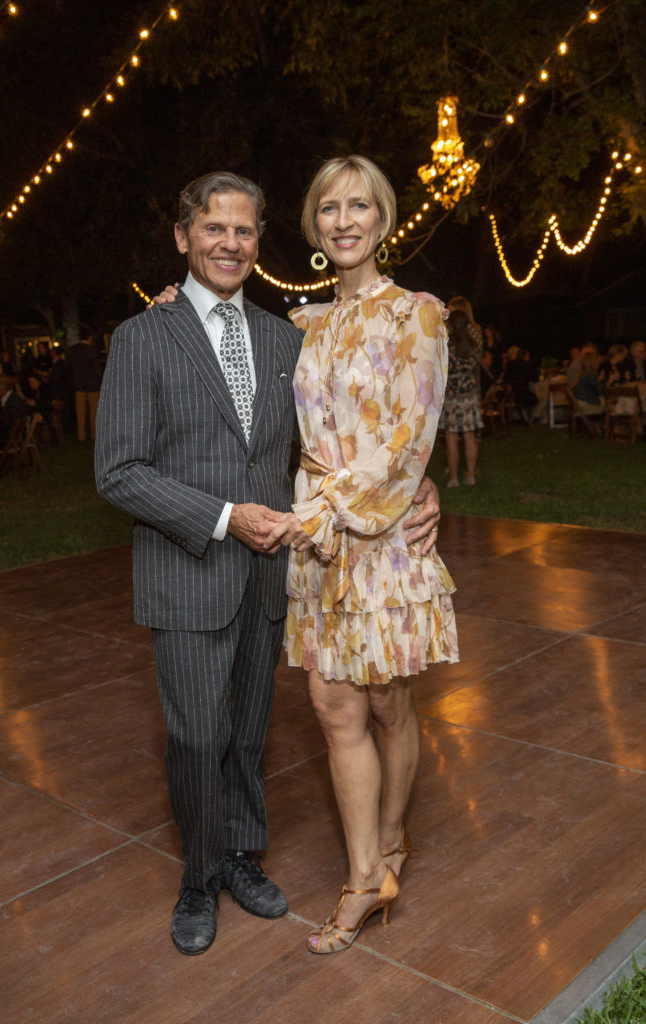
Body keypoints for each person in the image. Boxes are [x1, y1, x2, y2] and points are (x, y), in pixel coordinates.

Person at [95, 170, 444, 958]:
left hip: (276, 569)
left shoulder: (287, 336)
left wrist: (422, 483)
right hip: (189, 567)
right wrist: (224, 518)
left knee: (251, 732)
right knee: (196, 738)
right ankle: (198, 878)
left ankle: (242, 855)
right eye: (212, 228)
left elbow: (358, 425)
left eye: (244, 230)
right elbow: (117, 472)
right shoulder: (141, 336)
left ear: (259, 241)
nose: (229, 242)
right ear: (183, 236)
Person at [262, 155, 459, 955]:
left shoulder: (418, 314)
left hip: (377, 537)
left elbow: (411, 436)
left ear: (382, 219)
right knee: (332, 708)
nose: (343, 221)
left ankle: (391, 834)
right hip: (317, 545)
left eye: (358, 206)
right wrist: (175, 302)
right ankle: (364, 876)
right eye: (328, 208)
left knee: (387, 704)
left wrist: (339, 507)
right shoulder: (299, 324)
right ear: (313, 224)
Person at [439, 308, 483, 487]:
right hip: (469, 394)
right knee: (469, 435)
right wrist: (467, 324)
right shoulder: (475, 343)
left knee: (451, 437)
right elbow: (475, 332)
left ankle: (453, 478)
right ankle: (470, 475)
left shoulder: (446, 343)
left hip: (451, 394)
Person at [66, 331, 102, 441]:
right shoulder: (91, 351)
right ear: (89, 338)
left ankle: (81, 435)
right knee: (94, 411)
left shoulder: (72, 350)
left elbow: (68, 368)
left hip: (79, 385)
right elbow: (97, 369)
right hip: (93, 385)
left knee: (80, 411)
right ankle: (94, 434)